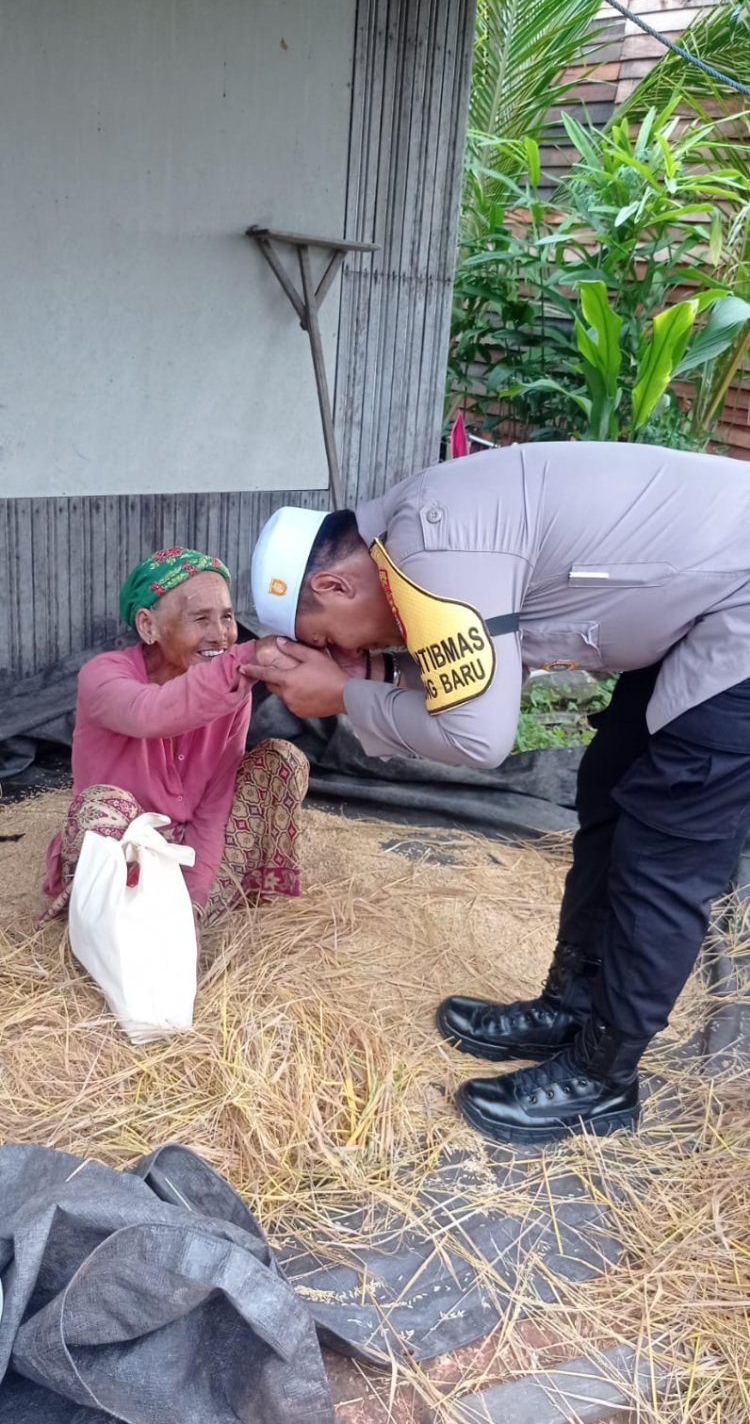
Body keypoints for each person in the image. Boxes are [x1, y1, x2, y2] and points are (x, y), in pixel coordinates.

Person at [246, 443, 750, 1145]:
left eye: (327, 638)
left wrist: (342, 694)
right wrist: (362, 682)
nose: (343, 654)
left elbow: (478, 736)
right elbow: (468, 675)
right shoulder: (406, 538)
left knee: (663, 843)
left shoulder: (432, 546)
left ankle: (603, 1078)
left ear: (333, 586)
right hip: (703, 606)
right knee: (609, 789)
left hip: (737, 607)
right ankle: (573, 1007)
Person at [40, 547, 308, 928]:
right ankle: (111, 918)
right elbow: (150, 713)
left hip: (190, 854)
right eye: (201, 618)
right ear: (148, 626)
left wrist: (193, 902)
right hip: (123, 855)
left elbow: (215, 803)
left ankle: (190, 910)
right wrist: (248, 656)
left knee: (282, 760)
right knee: (101, 806)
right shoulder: (101, 677)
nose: (221, 635)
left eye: (227, 616)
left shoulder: (231, 691)